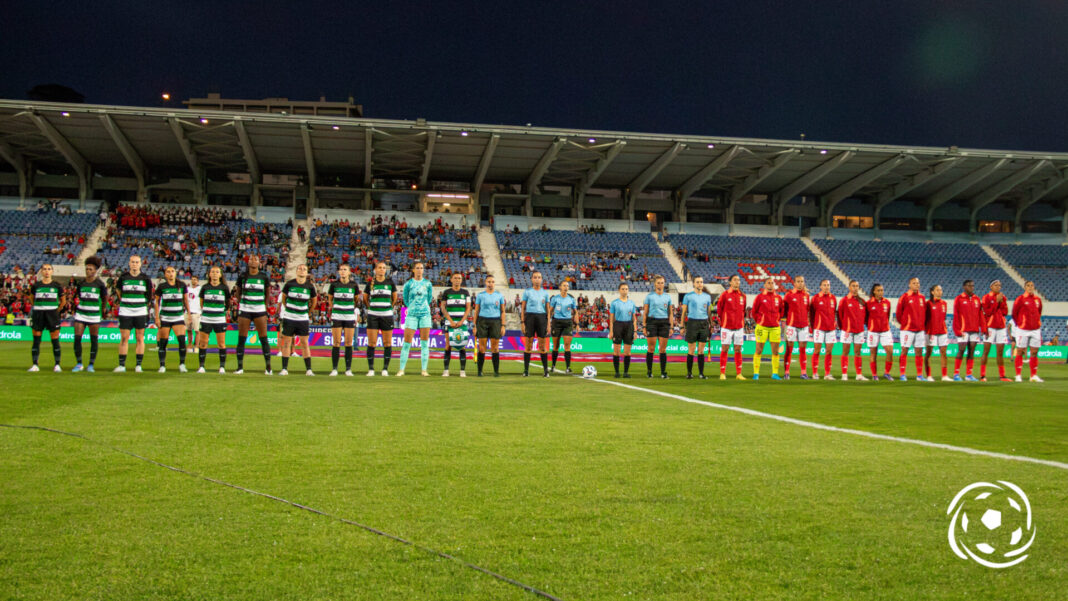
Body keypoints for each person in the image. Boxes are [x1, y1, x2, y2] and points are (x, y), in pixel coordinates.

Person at [233, 255, 274, 375]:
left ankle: (268, 368)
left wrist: (264, 307)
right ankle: (240, 367)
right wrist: (243, 303)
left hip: (259, 310)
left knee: (263, 338)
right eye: (251, 259)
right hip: (245, 310)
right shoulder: (242, 276)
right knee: (241, 338)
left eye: (255, 259)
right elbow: (238, 292)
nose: (253, 261)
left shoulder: (263, 276)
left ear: (259, 263)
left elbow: (267, 294)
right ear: (248, 262)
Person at [114, 255, 154, 373]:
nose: (135, 264)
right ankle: (122, 365)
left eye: (137, 262)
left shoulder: (145, 278)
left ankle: (138, 365)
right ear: (129, 263)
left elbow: (149, 295)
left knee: (140, 338)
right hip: (125, 311)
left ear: (141, 264)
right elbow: (118, 290)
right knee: (124, 338)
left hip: (140, 311)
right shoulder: (123, 277)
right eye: (133, 262)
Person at [278, 264, 317, 376]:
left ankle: (309, 370)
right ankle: (284, 369)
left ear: (307, 273)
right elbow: (284, 299)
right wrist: (290, 310)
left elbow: (314, 301)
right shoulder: (289, 284)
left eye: (304, 269)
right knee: (287, 343)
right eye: (300, 268)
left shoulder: (310, 286)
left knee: (305, 343)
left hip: (303, 319)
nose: (302, 270)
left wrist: (308, 313)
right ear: (296, 271)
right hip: (289, 317)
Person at [397, 262, 434, 377]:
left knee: (424, 344)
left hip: (425, 315)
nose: (419, 270)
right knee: (407, 344)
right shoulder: (408, 284)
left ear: (423, 270)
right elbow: (405, 300)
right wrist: (413, 307)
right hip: (411, 315)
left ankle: (424, 370)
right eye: (417, 268)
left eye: (421, 268)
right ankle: (401, 370)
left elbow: (428, 299)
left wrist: (422, 307)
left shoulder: (428, 284)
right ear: (413, 270)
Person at [71, 256, 107, 373]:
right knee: (77, 339)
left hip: (94, 315)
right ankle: (79, 363)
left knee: (93, 340)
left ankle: (91, 364)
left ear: (95, 270)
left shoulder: (100, 284)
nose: (88, 271)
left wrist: (102, 311)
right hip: (81, 314)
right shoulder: (81, 283)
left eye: (91, 269)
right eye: (87, 269)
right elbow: (77, 297)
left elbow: (104, 298)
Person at [26, 264, 64, 372]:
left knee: (55, 340)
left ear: (52, 271)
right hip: (38, 314)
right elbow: (31, 298)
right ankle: (35, 365)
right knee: (36, 340)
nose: (47, 271)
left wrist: (56, 311)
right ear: (41, 272)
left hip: (52, 315)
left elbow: (63, 301)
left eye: (49, 269)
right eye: (44, 269)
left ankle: (57, 365)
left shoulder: (57, 285)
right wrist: (38, 308)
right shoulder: (36, 286)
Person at [363, 262, 398, 376]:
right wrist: (371, 308)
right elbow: (365, 299)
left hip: (387, 316)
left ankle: (385, 369)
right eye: (380, 268)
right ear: (375, 270)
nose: (382, 270)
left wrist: (387, 308)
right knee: (372, 343)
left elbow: (394, 298)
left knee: (387, 343)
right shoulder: (370, 284)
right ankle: (371, 369)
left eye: (384, 268)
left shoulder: (390, 283)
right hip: (373, 315)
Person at [153, 266, 189, 373]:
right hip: (165, 317)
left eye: (172, 271)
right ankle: (162, 366)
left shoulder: (182, 285)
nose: (170, 273)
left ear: (176, 273)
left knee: (182, 341)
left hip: (178, 317)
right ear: (165, 274)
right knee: (163, 342)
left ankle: (182, 364)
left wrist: (189, 314)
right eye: (168, 272)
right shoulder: (162, 286)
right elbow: (156, 303)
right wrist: (157, 317)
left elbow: (186, 300)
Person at [326, 264, 360, 376]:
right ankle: (334, 369)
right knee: (336, 343)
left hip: (349, 316)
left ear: (349, 272)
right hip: (337, 316)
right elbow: (330, 300)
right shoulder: (334, 284)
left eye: (345, 269)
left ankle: (348, 369)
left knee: (348, 343)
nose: (342, 271)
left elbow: (356, 300)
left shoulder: (354, 285)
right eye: (341, 269)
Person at [196, 266, 230, 374]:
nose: (215, 273)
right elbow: (201, 303)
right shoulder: (205, 287)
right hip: (206, 319)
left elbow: (228, 304)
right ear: (209, 274)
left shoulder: (224, 288)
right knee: (203, 343)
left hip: (219, 319)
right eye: (213, 272)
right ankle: (201, 366)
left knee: (221, 344)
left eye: (217, 272)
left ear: (220, 275)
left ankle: (222, 367)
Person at [439, 272, 472, 377]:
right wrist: (451, 320)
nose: (457, 280)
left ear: (461, 280)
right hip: (450, 322)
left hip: (462, 323)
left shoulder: (466, 292)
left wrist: (462, 321)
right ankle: (446, 370)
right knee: (448, 345)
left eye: (459, 278)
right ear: (451, 280)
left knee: (462, 346)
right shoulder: (447, 292)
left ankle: (462, 371)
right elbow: (443, 308)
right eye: (455, 278)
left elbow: (468, 308)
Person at [751, 278, 784, 380]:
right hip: (762, 327)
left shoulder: (778, 298)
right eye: (768, 283)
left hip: (775, 327)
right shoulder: (760, 297)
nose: (770, 285)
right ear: (765, 285)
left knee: (775, 351)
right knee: (759, 350)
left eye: (772, 283)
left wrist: (777, 319)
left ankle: (775, 373)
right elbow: (754, 311)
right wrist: (760, 321)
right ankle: (756, 373)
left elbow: (782, 311)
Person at [679, 277, 713, 379]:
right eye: (697, 282)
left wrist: (711, 325)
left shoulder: (707, 297)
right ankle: (689, 373)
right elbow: (683, 312)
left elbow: (709, 312)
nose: (700, 284)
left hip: (704, 324)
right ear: (693, 284)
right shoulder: (688, 296)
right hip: (692, 323)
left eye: (701, 282)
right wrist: (681, 326)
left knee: (701, 351)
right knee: (691, 350)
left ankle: (701, 374)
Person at [952, 279, 985, 382]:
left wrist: (983, 328)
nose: (972, 287)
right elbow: (956, 315)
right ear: (964, 287)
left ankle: (969, 374)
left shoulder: (976, 299)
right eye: (969, 286)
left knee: (971, 351)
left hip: (974, 330)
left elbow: (980, 315)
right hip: (963, 330)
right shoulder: (959, 299)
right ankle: (956, 374)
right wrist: (957, 330)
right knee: (961, 350)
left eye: (973, 286)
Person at [472, 275, 506, 376]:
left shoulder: (499, 296)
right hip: (482, 321)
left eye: (492, 282)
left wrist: (503, 325)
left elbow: (503, 311)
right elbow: (476, 311)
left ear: (494, 283)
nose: (490, 284)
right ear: (485, 283)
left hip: (495, 322)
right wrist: (474, 325)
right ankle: (479, 371)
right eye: (489, 282)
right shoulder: (480, 295)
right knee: (482, 348)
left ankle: (496, 371)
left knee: (495, 348)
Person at [896, 277, 928, 381]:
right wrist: (905, 323)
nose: (916, 285)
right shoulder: (904, 297)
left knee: (919, 351)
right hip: (907, 329)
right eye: (914, 283)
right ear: (909, 285)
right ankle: (902, 374)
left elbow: (925, 313)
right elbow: (898, 314)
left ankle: (919, 375)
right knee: (904, 350)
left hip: (920, 330)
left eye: (918, 283)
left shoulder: (922, 297)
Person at [519, 271, 551, 377]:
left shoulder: (545, 293)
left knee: (542, 346)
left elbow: (548, 309)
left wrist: (548, 323)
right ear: (532, 279)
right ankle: (526, 370)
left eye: (539, 277)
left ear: (541, 279)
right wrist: (522, 322)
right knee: (528, 345)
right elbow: (523, 308)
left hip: (542, 318)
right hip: (530, 318)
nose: (537, 279)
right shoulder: (527, 292)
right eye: (535, 277)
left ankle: (546, 371)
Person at [716, 274, 747, 380]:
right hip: (726, 327)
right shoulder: (724, 295)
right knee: (725, 348)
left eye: (738, 280)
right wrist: (725, 320)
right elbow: (719, 310)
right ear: (730, 282)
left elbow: (743, 311)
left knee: (738, 349)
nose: (737, 282)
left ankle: (739, 373)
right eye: (735, 280)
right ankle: (722, 373)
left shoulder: (743, 296)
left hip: (739, 327)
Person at [979, 280, 1011, 382]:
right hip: (990, 327)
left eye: (1000, 285)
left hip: (1001, 327)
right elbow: (988, 312)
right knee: (986, 351)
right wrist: (996, 301)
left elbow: (1005, 312)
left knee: (1000, 352)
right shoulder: (986, 297)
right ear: (991, 287)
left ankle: (1002, 376)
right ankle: (983, 376)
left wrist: (1001, 303)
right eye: (996, 285)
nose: (998, 287)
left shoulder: (1003, 297)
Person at [1011, 281, 1043, 382]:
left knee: (1034, 352)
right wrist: (1020, 324)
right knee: (1020, 351)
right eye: (1028, 285)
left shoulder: (1037, 300)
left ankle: (1033, 376)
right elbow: (1014, 313)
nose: (1030, 287)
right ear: (1025, 287)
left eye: (1032, 285)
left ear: (1034, 287)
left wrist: (1036, 322)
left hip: (1035, 329)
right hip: (1023, 329)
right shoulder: (1020, 299)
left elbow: (1039, 312)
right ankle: (1018, 375)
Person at [643, 275, 673, 379]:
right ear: (655, 284)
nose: (660, 284)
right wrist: (644, 325)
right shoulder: (649, 296)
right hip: (652, 322)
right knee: (651, 348)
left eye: (662, 282)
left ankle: (663, 372)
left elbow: (670, 313)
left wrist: (671, 327)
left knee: (663, 349)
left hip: (664, 322)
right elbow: (645, 312)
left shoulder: (668, 297)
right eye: (658, 282)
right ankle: (649, 371)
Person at [809, 279, 838, 381]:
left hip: (831, 329)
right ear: (820, 286)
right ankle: (815, 373)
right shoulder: (815, 298)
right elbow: (811, 314)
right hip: (819, 328)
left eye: (828, 285)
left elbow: (834, 312)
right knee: (817, 351)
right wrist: (812, 327)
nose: (826, 287)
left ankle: (827, 374)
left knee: (829, 352)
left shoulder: (833, 298)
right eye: (824, 285)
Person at [782, 276, 811, 380]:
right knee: (789, 349)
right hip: (791, 326)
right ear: (794, 283)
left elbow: (807, 310)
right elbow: (784, 310)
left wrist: (808, 324)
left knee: (803, 350)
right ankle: (786, 372)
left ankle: (803, 372)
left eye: (802, 282)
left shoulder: (806, 295)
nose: (800, 283)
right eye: (798, 282)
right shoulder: (788, 295)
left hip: (804, 326)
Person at [837, 280, 866, 381]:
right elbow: (839, 315)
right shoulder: (844, 300)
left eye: (857, 286)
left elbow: (865, 316)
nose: (855, 288)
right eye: (853, 286)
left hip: (859, 331)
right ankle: (844, 374)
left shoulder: (862, 301)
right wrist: (843, 327)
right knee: (845, 352)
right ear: (849, 287)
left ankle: (859, 375)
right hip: (847, 330)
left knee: (858, 352)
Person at [549, 281, 579, 374]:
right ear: (560, 287)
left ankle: (568, 367)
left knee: (567, 346)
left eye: (567, 286)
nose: (566, 287)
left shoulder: (571, 299)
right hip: (556, 322)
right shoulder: (555, 298)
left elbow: (576, 312)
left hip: (567, 322)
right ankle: (553, 366)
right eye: (564, 285)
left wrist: (577, 324)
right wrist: (548, 323)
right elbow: (550, 311)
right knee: (556, 346)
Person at [609, 282, 637, 378]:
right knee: (616, 351)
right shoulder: (615, 303)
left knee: (627, 352)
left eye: (626, 289)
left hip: (629, 326)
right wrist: (611, 331)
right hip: (618, 325)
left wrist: (635, 331)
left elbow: (634, 318)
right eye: (623, 289)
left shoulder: (631, 303)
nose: (624, 291)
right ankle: (617, 372)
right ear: (619, 290)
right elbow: (611, 318)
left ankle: (625, 372)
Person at [864, 283, 891, 381]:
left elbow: (887, 316)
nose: (881, 292)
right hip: (873, 331)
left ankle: (887, 373)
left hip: (885, 331)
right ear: (874, 291)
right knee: (873, 354)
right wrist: (871, 326)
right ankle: (874, 375)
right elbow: (865, 318)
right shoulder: (869, 303)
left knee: (890, 351)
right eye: (878, 290)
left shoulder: (887, 302)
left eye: (882, 290)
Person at [924, 284, 951, 382]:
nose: (940, 292)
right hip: (931, 332)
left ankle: (944, 376)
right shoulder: (928, 304)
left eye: (941, 290)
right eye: (938, 290)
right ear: (932, 292)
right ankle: (929, 376)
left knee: (944, 353)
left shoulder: (944, 303)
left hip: (942, 331)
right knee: (929, 353)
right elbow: (925, 319)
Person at [185, 275, 202, 348]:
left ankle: (197, 345)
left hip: (197, 312)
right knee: (188, 330)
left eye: (195, 279)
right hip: (188, 312)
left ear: (198, 281)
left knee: (197, 331)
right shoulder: (188, 289)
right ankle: (189, 344)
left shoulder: (200, 289)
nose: (193, 281)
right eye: (192, 279)